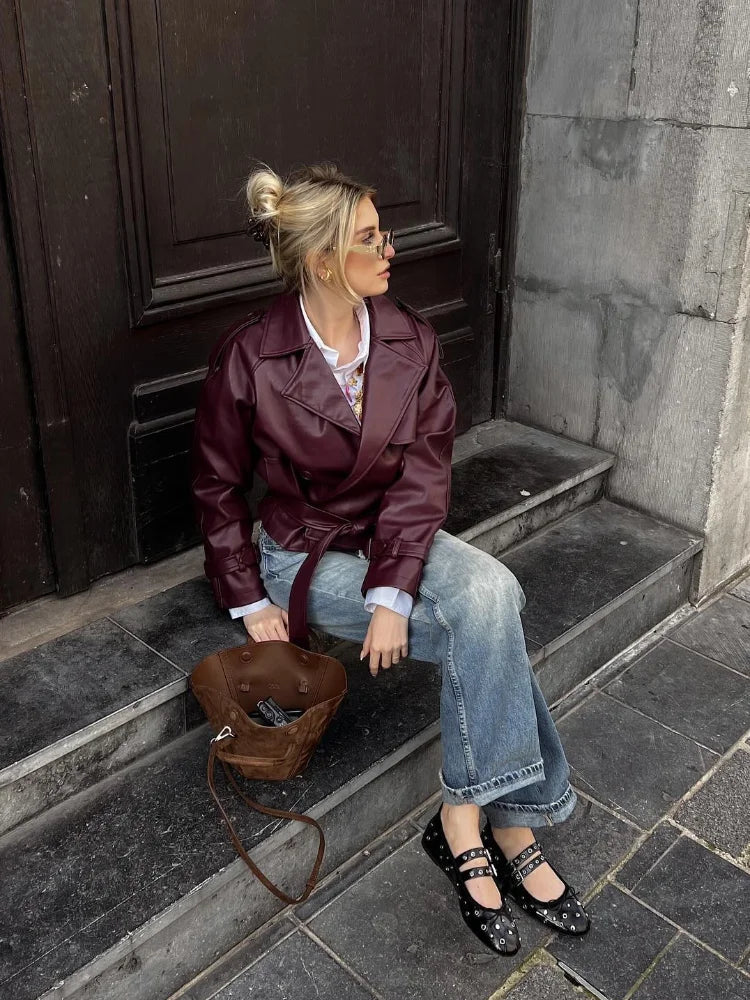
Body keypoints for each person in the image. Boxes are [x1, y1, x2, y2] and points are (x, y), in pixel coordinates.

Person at [191, 162, 590, 954]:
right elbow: (215, 485)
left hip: (393, 538)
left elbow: (424, 474)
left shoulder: (411, 338)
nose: (390, 250)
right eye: (370, 239)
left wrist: (391, 594)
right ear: (322, 261)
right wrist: (249, 598)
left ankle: (464, 817)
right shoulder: (251, 357)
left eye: (385, 234)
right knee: (490, 620)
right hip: (302, 553)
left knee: (491, 596)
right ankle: (514, 826)